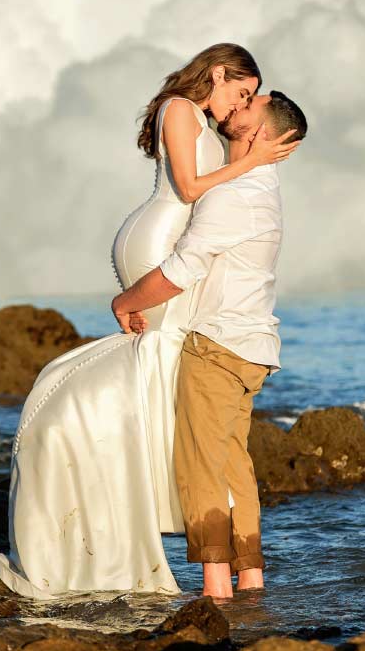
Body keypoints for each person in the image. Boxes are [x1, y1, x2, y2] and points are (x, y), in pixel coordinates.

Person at [0, 43, 300, 597]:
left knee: (192, 428)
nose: (240, 104)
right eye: (242, 91)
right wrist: (249, 160)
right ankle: (225, 565)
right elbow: (186, 190)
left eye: (249, 102)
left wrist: (248, 160)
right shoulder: (187, 112)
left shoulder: (236, 172)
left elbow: (195, 210)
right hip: (187, 269)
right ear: (218, 73)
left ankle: (207, 571)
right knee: (194, 421)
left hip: (191, 287)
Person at [111, 90, 308, 598]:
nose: (232, 111)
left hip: (219, 345)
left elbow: (183, 268)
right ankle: (252, 577)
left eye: (246, 107)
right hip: (253, 346)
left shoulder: (235, 194)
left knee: (200, 464)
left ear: (260, 133)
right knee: (233, 464)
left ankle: (216, 588)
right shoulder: (262, 187)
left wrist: (126, 300)